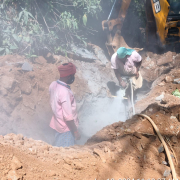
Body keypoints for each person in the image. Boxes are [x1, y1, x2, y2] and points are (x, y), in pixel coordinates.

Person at [49, 62, 81, 147]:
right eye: (73, 75)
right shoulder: (64, 92)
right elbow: (68, 117)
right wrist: (76, 132)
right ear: (69, 76)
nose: (73, 77)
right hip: (66, 130)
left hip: (57, 124)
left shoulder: (53, 85)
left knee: (59, 147)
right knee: (66, 153)